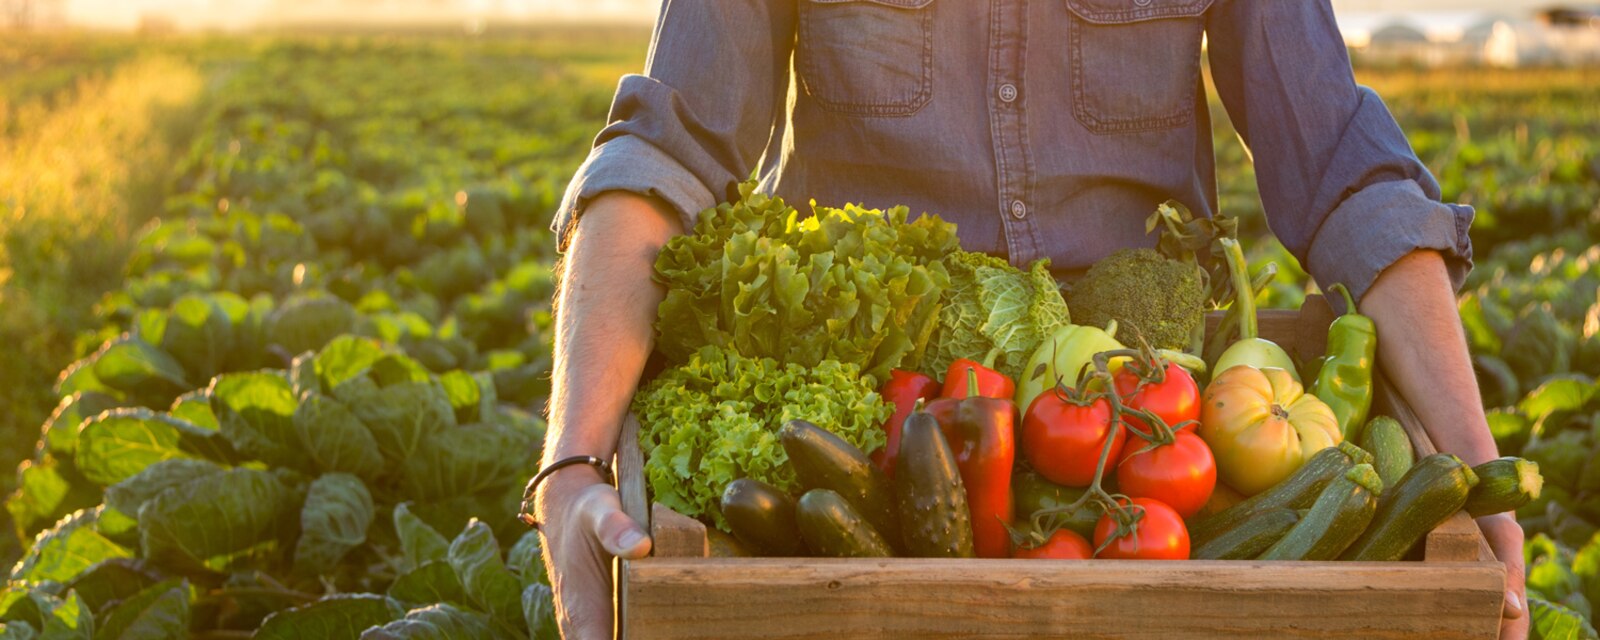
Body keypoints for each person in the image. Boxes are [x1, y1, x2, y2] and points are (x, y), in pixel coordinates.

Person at [530, 2, 1527, 638]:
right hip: (865, 419)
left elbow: (1347, 171)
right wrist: (572, 463)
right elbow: (662, 156)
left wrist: (1474, 467)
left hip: (1149, 414)